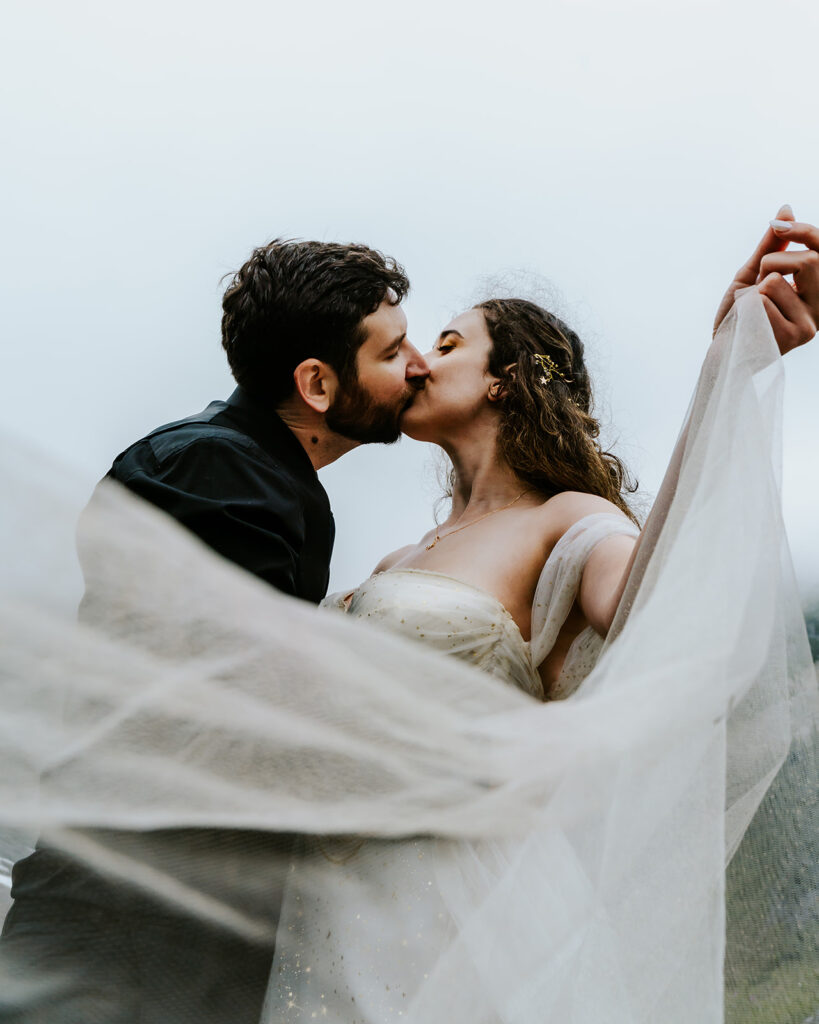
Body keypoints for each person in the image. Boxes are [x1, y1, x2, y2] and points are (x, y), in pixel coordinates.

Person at [264, 208, 819, 1021]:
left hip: (460, 920)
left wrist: (724, 370)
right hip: (326, 906)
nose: (418, 362)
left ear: (506, 380)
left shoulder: (569, 520)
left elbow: (655, 606)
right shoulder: (394, 560)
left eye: (448, 345)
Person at [0, 239, 429, 1024]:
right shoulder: (213, 469)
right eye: (393, 350)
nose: (416, 366)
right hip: (126, 929)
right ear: (318, 383)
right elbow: (249, 699)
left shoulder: (264, 475)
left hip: (175, 924)